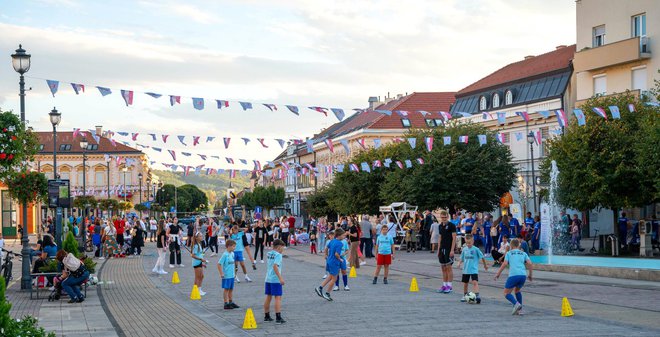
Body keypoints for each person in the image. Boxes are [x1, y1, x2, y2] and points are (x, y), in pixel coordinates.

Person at [494, 238, 533, 315]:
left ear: (511, 245)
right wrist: (530, 275)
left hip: (513, 275)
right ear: (519, 245)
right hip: (522, 275)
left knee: (506, 293)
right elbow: (530, 263)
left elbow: (504, 264)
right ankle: (519, 310)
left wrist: (498, 274)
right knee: (517, 291)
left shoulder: (509, 253)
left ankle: (516, 304)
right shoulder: (523, 253)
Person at [316, 228, 345, 301]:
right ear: (339, 236)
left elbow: (326, 248)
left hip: (329, 261)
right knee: (334, 279)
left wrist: (326, 255)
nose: (344, 237)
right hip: (334, 262)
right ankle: (327, 293)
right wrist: (340, 259)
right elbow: (336, 254)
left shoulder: (332, 241)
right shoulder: (340, 243)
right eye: (343, 235)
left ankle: (320, 288)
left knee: (330, 276)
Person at [457, 234, 488, 303]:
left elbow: (482, 257)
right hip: (466, 269)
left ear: (473, 241)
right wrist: (459, 263)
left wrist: (485, 265)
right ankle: (465, 295)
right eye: (467, 243)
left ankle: (477, 296)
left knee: (475, 282)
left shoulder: (476, 249)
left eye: (469, 243)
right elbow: (461, 258)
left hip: (473, 269)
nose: (468, 244)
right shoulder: (464, 249)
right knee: (465, 283)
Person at [264, 239, 286, 324]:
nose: (282, 250)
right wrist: (280, 278)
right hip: (275, 279)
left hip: (268, 278)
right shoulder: (278, 255)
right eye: (282, 248)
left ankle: (266, 316)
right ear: (279, 247)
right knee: (278, 297)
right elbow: (275, 266)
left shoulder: (269, 253)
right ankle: (278, 317)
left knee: (268, 297)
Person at [437, 210, 456, 293]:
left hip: (448, 249)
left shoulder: (451, 225)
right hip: (442, 249)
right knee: (443, 267)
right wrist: (438, 250)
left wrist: (452, 250)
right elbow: (440, 238)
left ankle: (449, 286)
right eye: (442, 217)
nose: (443, 219)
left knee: (449, 267)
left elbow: (454, 238)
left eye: (445, 217)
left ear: (447, 217)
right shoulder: (440, 226)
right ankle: (444, 285)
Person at [218, 239, 238, 309]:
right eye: (233, 246)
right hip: (226, 275)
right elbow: (219, 264)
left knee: (231, 289)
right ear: (229, 246)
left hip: (232, 275)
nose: (234, 248)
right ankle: (225, 303)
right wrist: (221, 273)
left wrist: (235, 273)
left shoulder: (232, 254)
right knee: (226, 289)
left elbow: (233, 264)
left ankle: (230, 302)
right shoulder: (225, 254)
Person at [190, 232, 208, 296]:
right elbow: (192, 255)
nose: (201, 237)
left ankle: (199, 289)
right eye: (200, 236)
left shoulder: (199, 244)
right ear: (197, 238)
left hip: (200, 262)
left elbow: (200, 254)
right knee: (197, 277)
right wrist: (201, 259)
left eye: (201, 236)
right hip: (196, 263)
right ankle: (195, 290)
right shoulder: (195, 245)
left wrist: (203, 263)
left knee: (201, 276)